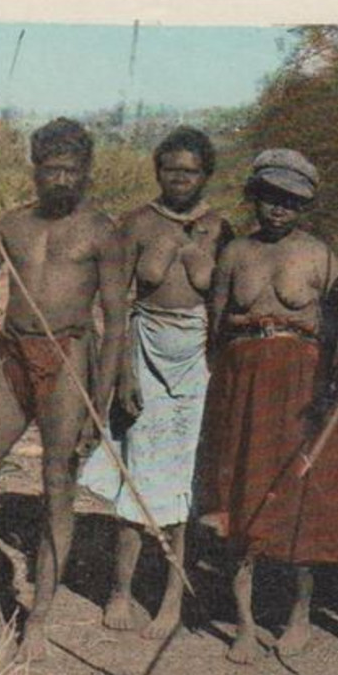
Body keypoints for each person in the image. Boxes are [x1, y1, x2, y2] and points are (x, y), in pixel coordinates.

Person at [0, 118, 126, 661]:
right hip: (15, 357)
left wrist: (101, 406)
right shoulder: (14, 225)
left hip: (69, 360)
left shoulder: (102, 232)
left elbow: (116, 323)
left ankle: (37, 621)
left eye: (72, 171)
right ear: (35, 170)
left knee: (56, 488)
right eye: (51, 170)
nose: (61, 180)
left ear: (86, 173)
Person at [194, 149, 338, 664]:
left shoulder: (321, 256)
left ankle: (299, 616)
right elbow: (214, 326)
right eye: (269, 198)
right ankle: (243, 624)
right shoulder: (235, 254)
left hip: (301, 385)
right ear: (256, 198)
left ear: (303, 204)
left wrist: (330, 394)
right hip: (242, 381)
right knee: (238, 497)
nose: (277, 210)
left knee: (299, 499)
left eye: (289, 201)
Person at [81, 127, 231, 639]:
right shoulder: (137, 223)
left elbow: (223, 305)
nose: (180, 179)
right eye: (171, 169)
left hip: (196, 358)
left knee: (182, 481)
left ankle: (170, 598)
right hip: (144, 348)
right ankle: (120, 589)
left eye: (190, 171)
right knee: (139, 471)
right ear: (158, 171)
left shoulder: (219, 227)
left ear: (205, 174)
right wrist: (121, 370)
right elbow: (115, 303)